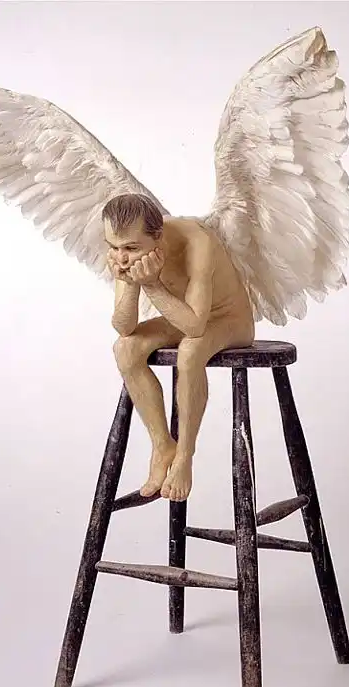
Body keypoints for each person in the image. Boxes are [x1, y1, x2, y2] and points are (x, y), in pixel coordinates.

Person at [103, 193, 254, 502]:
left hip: (228, 318)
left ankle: (185, 454)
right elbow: (124, 327)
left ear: (157, 236)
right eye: (114, 247)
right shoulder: (127, 252)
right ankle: (163, 445)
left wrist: (152, 285)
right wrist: (131, 283)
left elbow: (195, 327)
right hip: (182, 315)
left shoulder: (197, 241)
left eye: (131, 248)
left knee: (190, 351)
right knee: (125, 349)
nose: (122, 257)